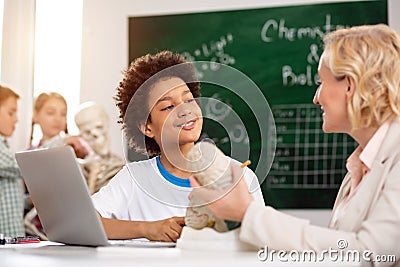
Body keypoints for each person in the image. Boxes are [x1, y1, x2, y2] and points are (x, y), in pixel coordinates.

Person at [190, 24, 400, 265]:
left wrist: (248, 214)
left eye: (322, 82)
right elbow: (339, 249)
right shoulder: (360, 165)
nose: (316, 97)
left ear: (350, 85)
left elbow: (368, 254)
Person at [91, 50, 264, 242]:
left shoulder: (240, 177)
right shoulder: (133, 179)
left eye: (189, 99)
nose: (185, 110)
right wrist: (148, 229)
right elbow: (87, 221)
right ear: (147, 127)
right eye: (168, 106)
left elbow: (260, 239)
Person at [24, 92, 92, 239]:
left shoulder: (77, 147)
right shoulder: (27, 155)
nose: (58, 119)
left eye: (63, 114)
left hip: (74, 227)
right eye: (50, 113)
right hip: (36, 232)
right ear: (35, 115)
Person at [74, 101, 124, 194]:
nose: (94, 134)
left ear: (107, 124)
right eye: (87, 132)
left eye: (99, 127)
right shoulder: (79, 168)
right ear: (81, 135)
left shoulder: (120, 168)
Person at [0, 85, 25, 237]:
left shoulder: (5, 146)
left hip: (13, 236)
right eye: (11, 112)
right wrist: (60, 140)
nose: (16, 119)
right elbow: (21, 165)